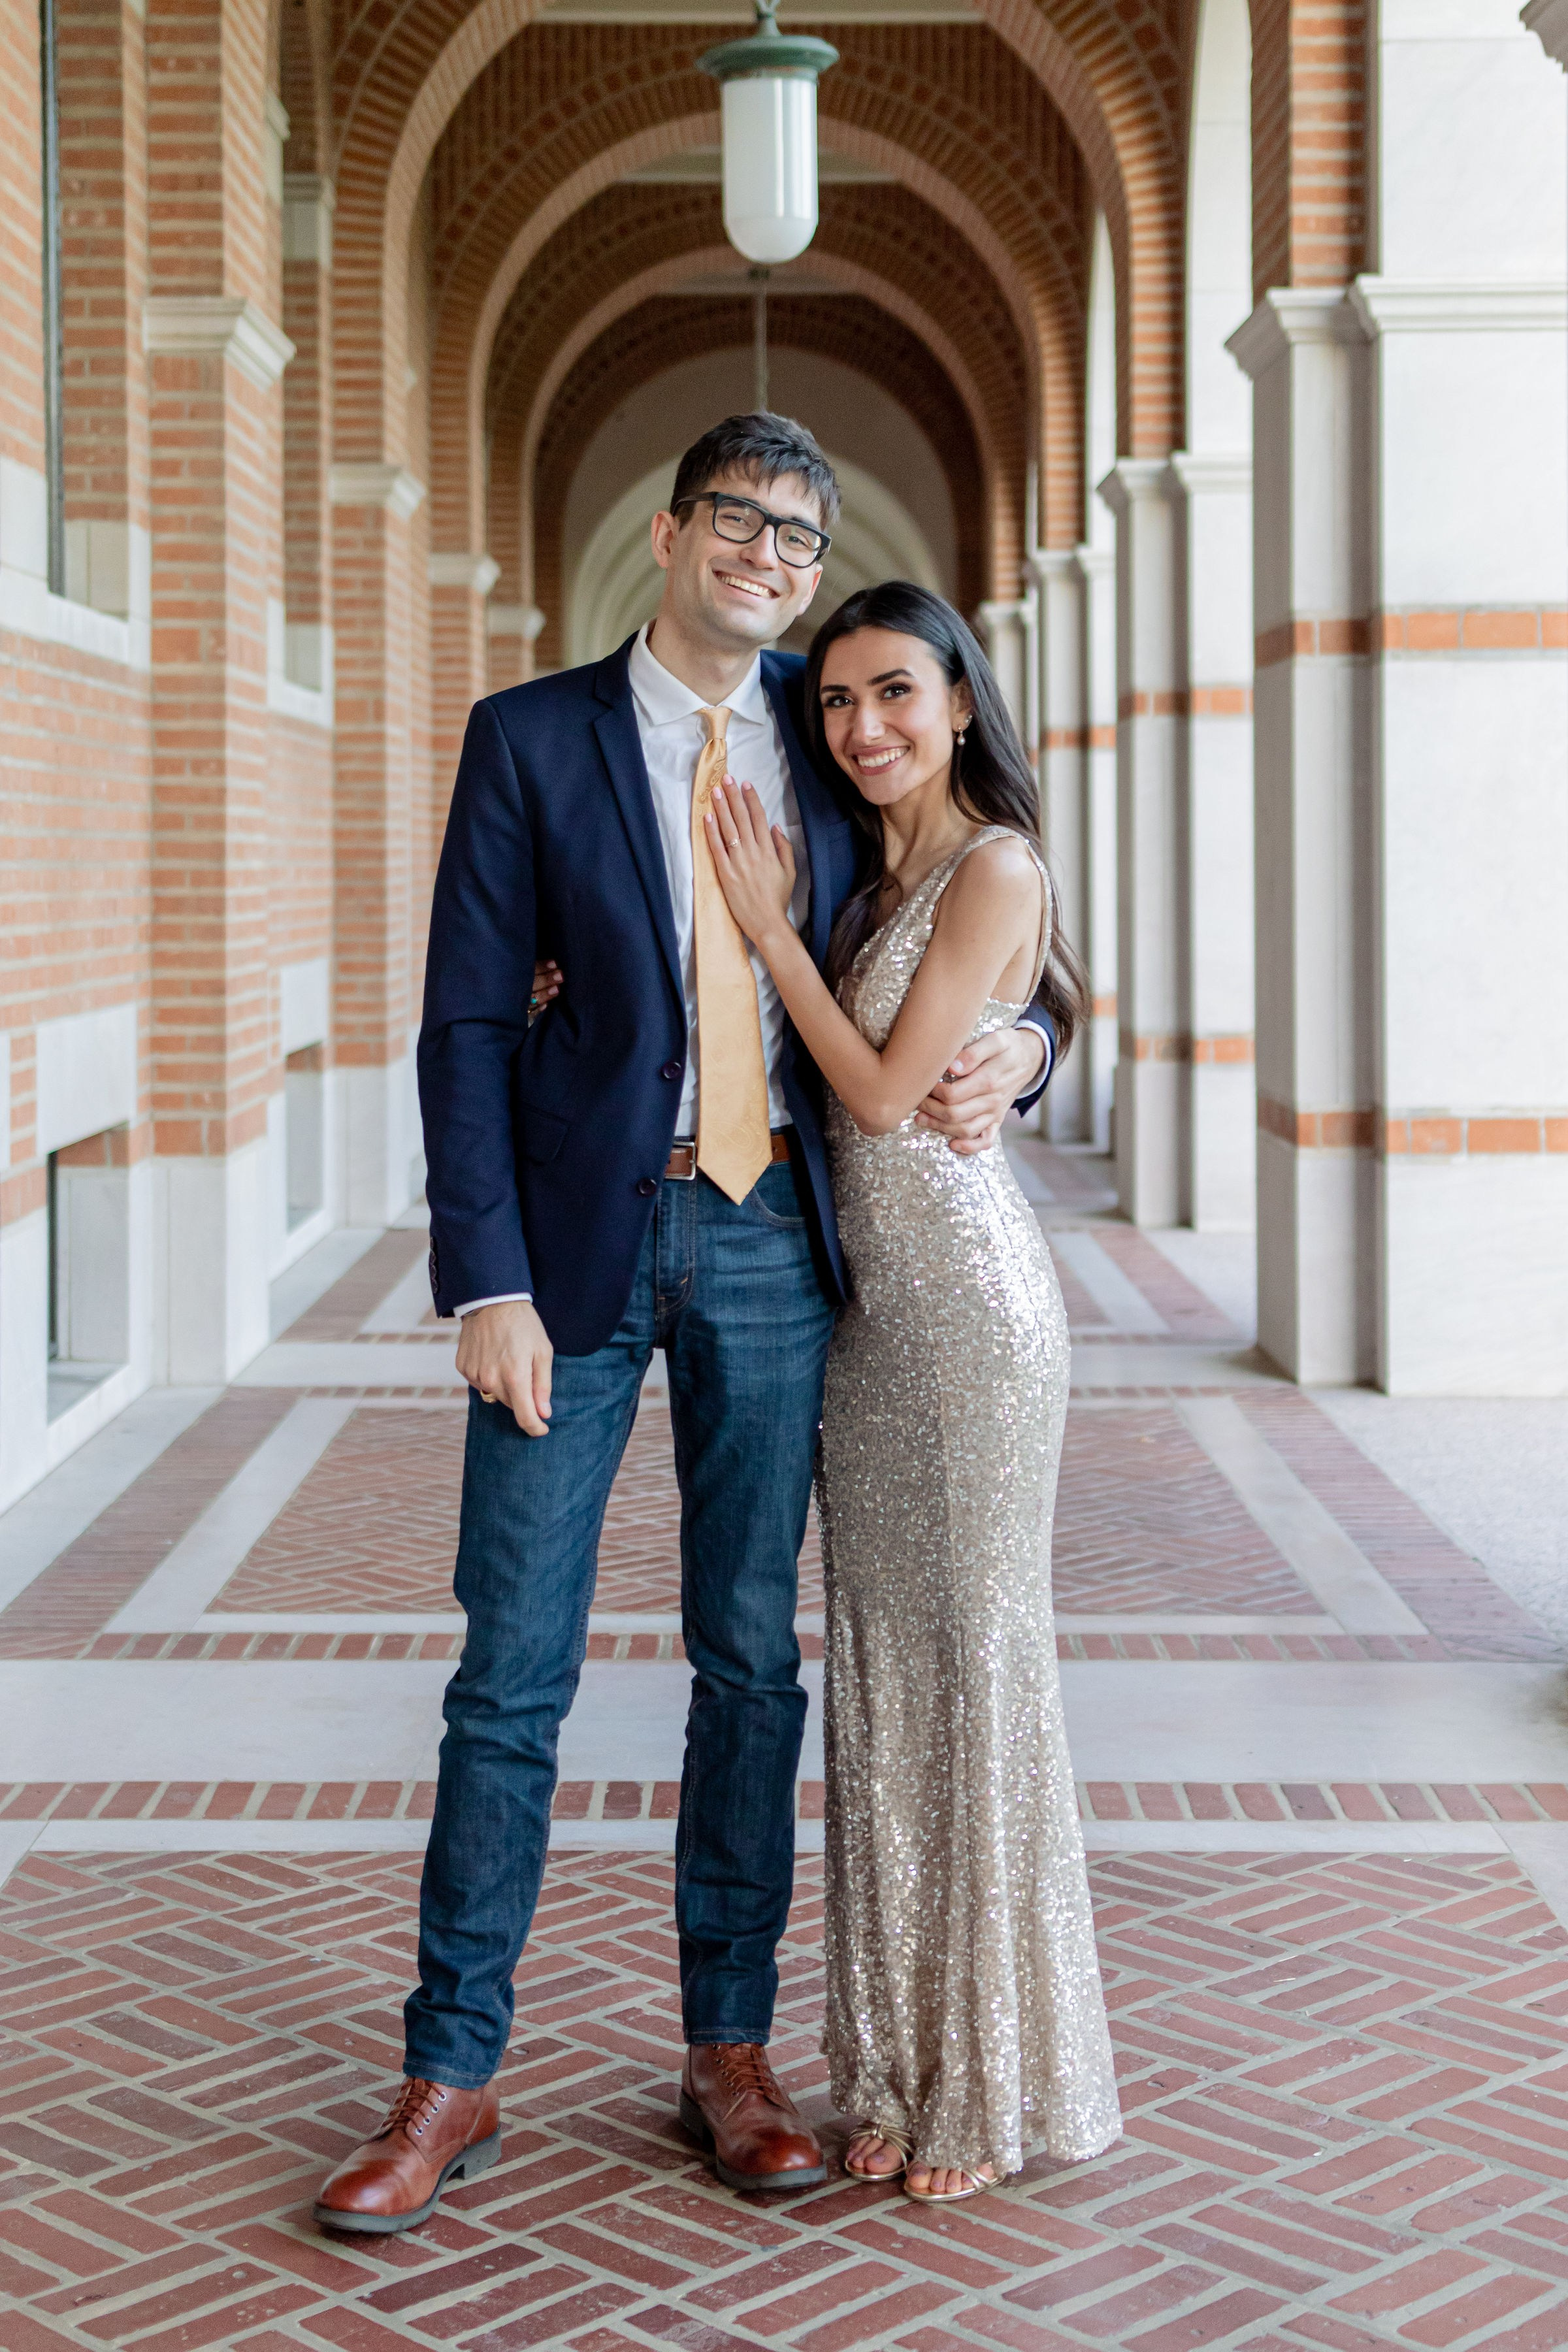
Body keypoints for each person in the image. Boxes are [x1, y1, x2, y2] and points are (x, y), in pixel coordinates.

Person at [310, 416, 1057, 2234]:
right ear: (671, 532)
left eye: (798, 536)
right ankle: (451, 2070)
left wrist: (1031, 1051)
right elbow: (469, 1024)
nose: (771, 557)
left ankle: (729, 2054)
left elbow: (988, 896)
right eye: (742, 520)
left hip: (776, 1240)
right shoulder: (530, 737)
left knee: (751, 1664)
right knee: (514, 1669)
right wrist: (481, 1279)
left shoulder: (834, 726)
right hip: (574, 1249)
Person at [701, 580, 1121, 2202]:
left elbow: (877, 1097)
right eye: (838, 705)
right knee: (879, 1698)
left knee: (975, 1683)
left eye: (895, 696)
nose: (861, 728)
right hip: (866, 1334)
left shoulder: (993, 861)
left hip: (970, 1327)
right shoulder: (873, 875)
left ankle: (990, 2084)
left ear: (959, 703)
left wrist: (767, 933)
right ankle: (886, 2066)